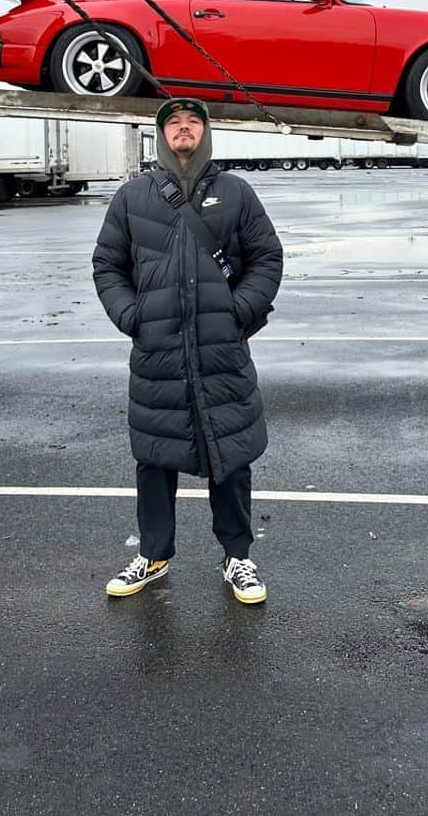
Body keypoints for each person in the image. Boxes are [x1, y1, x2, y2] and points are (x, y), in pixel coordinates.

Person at [92, 97, 283, 604]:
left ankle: (238, 556)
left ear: (205, 133)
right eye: (173, 122)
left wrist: (239, 310)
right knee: (154, 457)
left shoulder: (236, 193)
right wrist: (131, 317)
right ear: (161, 135)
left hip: (221, 350)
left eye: (193, 122)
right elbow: (107, 265)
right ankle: (152, 554)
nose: (183, 129)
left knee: (232, 455)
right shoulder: (132, 196)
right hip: (158, 353)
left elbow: (267, 257)